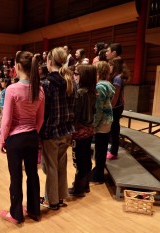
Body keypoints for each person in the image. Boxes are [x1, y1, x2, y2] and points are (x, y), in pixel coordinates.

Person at [0, 51, 44, 224]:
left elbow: (7, 119)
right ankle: (34, 210)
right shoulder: (39, 89)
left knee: (16, 176)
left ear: (17, 67)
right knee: (33, 173)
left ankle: (16, 214)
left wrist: (2, 139)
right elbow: (40, 118)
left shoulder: (12, 89)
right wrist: (32, 132)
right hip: (32, 136)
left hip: (15, 140)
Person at [40, 47, 76, 210]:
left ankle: (52, 201)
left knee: (52, 168)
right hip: (67, 130)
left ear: (49, 62)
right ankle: (60, 198)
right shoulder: (70, 81)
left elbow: (44, 112)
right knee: (61, 165)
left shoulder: (46, 83)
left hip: (51, 132)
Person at [69, 65, 96, 197]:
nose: (74, 76)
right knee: (86, 158)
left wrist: (71, 130)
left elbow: (76, 114)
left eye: (76, 74)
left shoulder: (80, 92)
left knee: (79, 159)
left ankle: (78, 188)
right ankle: (85, 185)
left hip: (80, 131)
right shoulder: (92, 91)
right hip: (90, 130)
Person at [90, 61, 115, 183]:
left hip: (102, 121)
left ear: (98, 72)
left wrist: (94, 125)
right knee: (102, 148)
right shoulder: (108, 84)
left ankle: (98, 175)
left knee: (100, 150)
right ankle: (98, 171)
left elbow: (99, 109)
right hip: (107, 120)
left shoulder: (99, 86)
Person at [106, 58, 130, 160]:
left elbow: (115, 97)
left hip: (116, 107)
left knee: (114, 129)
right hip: (116, 106)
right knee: (113, 128)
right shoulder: (115, 77)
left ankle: (114, 152)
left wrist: (109, 108)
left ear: (115, 66)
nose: (109, 67)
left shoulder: (117, 78)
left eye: (110, 65)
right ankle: (112, 149)